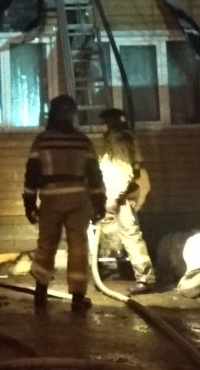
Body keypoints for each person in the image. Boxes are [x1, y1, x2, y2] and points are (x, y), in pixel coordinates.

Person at [23, 94, 106, 312]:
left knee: (46, 245)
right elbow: (94, 175)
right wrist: (100, 202)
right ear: (72, 115)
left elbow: (32, 173)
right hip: (78, 200)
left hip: (50, 200)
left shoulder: (42, 141)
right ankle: (78, 298)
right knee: (78, 247)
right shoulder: (83, 141)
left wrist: (29, 203)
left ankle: (40, 292)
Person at [98, 108, 156, 295]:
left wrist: (114, 199)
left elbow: (123, 173)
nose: (102, 127)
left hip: (122, 196)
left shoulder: (119, 143)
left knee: (130, 234)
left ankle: (145, 279)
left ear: (110, 124)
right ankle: (117, 250)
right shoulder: (115, 141)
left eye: (104, 123)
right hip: (116, 194)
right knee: (110, 225)